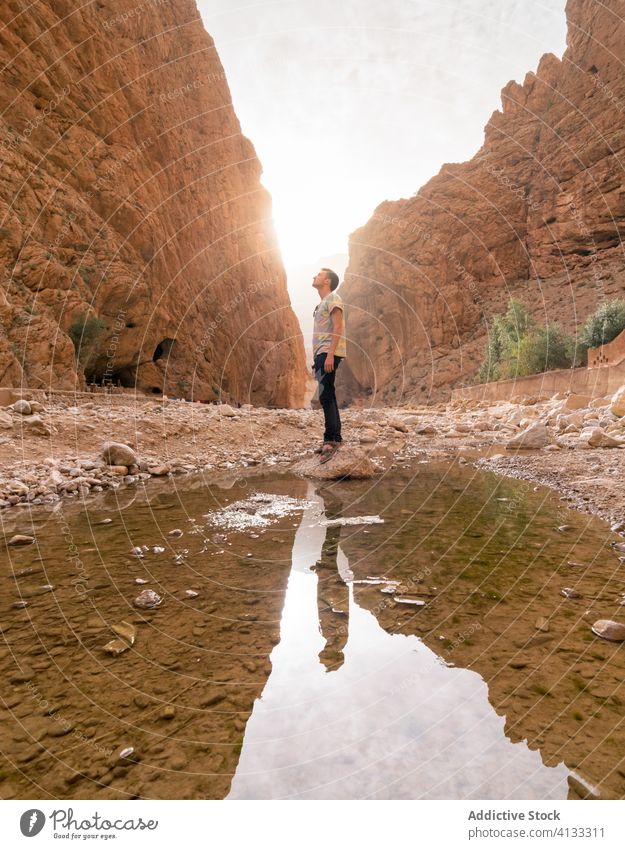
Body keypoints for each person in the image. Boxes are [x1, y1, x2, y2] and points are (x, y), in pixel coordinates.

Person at [312, 267, 346, 462]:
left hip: (328, 352)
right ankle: (335, 438)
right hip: (322, 353)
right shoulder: (322, 303)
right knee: (327, 394)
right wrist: (316, 359)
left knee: (326, 396)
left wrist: (330, 354)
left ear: (327, 281)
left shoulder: (333, 298)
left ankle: (331, 441)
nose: (315, 276)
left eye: (319, 274)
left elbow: (338, 326)